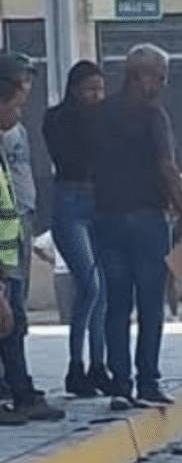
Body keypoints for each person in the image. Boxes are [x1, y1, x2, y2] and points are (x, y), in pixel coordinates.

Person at [90, 44, 182, 411]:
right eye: (160, 75)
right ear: (141, 76)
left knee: (116, 305)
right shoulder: (153, 115)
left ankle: (121, 385)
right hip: (145, 220)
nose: (163, 83)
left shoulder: (101, 113)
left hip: (106, 218)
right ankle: (148, 380)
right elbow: (168, 170)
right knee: (150, 304)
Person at [0, 54, 64, 425]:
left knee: (13, 317)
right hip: (5, 251)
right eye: (15, 103)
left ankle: (20, 389)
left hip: (11, 243)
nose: (20, 112)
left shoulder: (14, 132)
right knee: (10, 316)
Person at [42, 61, 111, 397]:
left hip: (99, 201)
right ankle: (75, 366)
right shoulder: (57, 118)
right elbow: (70, 158)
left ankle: (99, 365)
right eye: (89, 89)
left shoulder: (105, 119)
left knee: (103, 290)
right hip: (70, 204)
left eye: (100, 89)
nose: (97, 96)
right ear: (74, 89)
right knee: (91, 285)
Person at [1, 52, 38, 303]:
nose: (27, 87)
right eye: (22, 80)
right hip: (6, 221)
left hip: (21, 212)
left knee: (19, 289)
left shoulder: (18, 127)